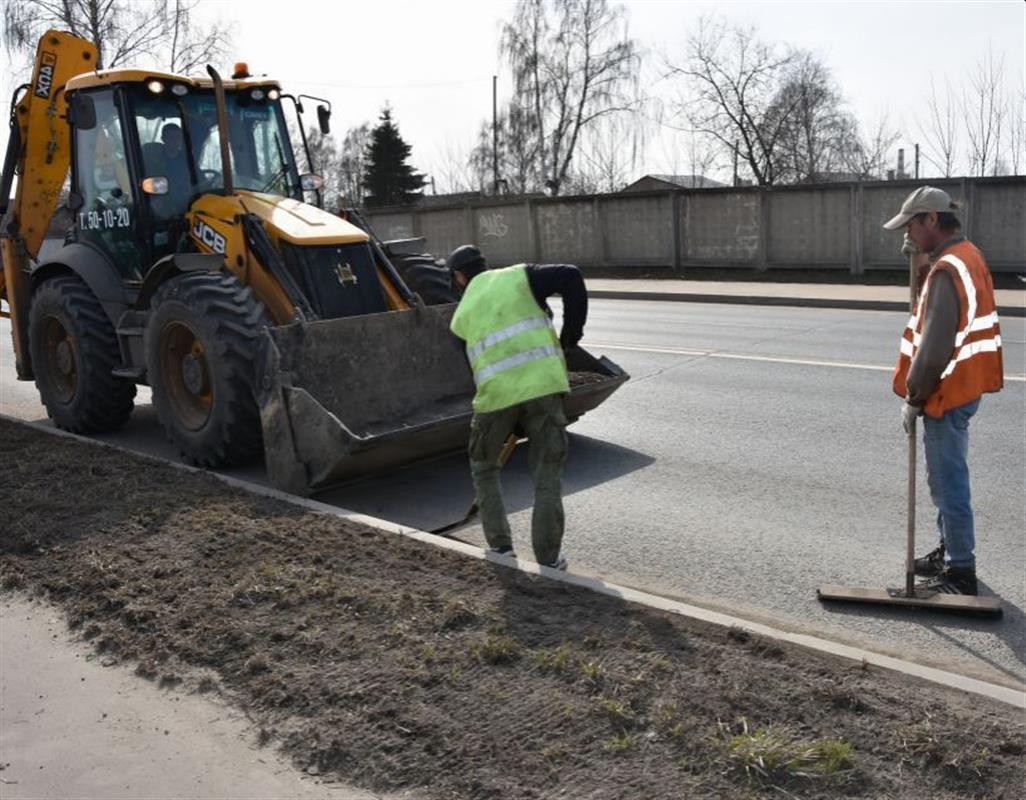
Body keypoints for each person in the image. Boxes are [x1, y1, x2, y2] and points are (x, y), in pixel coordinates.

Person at [884, 186, 1004, 595]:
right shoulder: (966, 255)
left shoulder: (947, 269)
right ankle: (949, 550)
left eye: (911, 225)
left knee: (947, 482)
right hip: (963, 386)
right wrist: (921, 261)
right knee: (947, 477)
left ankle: (960, 571)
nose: (908, 234)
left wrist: (914, 397)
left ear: (932, 219)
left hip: (944, 392)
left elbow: (934, 347)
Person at [447, 245, 587, 571]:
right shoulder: (520, 276)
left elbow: (474, 369)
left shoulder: (459, 318)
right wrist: (570, 337)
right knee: (547, 473)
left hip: (495, 399)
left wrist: (507, 414)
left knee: (484, 468)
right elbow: (571, 276)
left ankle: (501, 547)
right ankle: (549, 560)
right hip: (544, 389)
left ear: (458, 277)